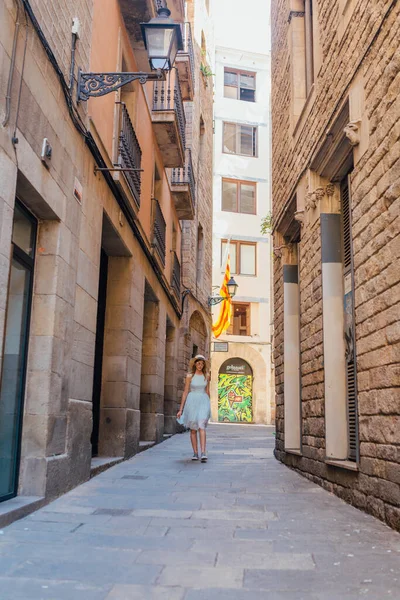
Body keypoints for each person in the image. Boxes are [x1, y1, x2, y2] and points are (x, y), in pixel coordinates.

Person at [177, 354, 211, 462]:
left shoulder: (207, 376)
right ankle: (195, 453)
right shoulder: (189, 376)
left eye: (202, 363)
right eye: (198, 363)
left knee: (201, 426)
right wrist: (181, 409)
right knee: (193, 429)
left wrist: (209, 406)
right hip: (192, 402)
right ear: (195, 364)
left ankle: (203, 452)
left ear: (204, 365)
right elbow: (185, 392)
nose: (200, 365)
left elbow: (208, 391)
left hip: (203, 401)